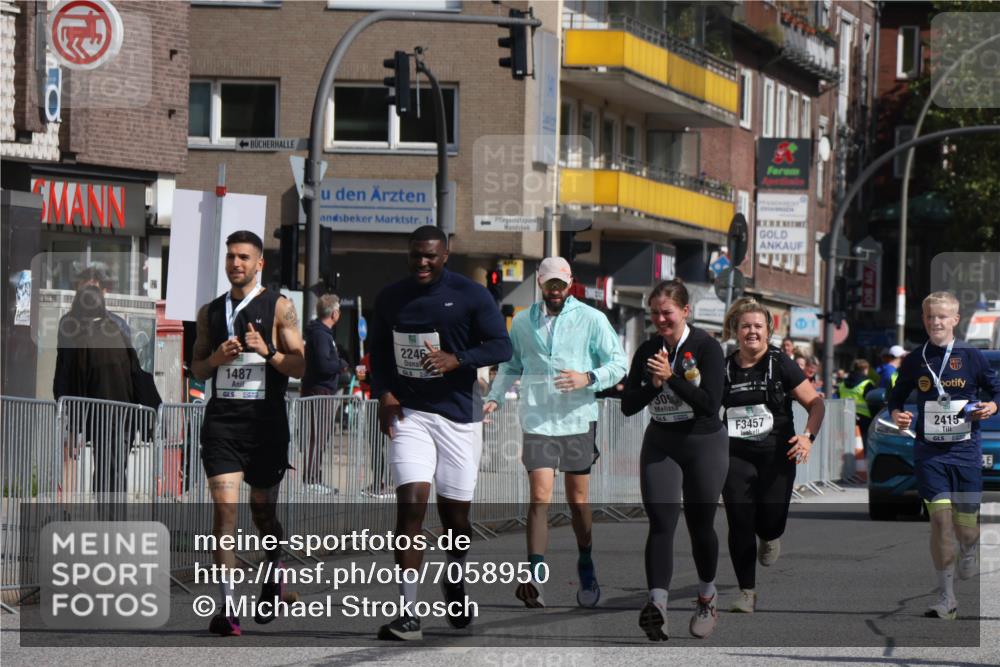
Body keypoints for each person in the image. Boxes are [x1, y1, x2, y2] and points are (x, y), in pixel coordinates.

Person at [369, 225, 512, 640]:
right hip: (411, 413)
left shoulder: (471, 295)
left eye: (431, 255)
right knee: (410, 508)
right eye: (416, 255)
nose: (423, 262)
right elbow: (377, 352)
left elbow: (501, 346)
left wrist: (458, 360)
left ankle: (455, 576)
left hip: (459, 418)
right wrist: (386, 393)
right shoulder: (392, 296)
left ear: (446, 254)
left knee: (455, 520)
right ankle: (408, 612)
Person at [484, 257, 627, 609]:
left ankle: (586, 561)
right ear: (540, 284)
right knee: (540, 496)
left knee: (578, 502)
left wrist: (587, 378)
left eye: (561, 284)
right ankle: (534, 576)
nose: (556, 290)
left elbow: (618, 363)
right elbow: (510, 365)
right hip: (538, 419)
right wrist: (494, 397)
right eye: (550, 284)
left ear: (570, 283)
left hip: (577, 419)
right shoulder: (521, 322)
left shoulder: (591, 319)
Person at [191, 230, 306, 637]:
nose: (235, 263)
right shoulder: (209, 312)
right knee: (224, 513)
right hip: (222, 424)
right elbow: (197, 369)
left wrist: (268, 352)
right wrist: (216, 358)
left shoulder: (280, 307)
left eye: (243, 257)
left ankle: (273, 566)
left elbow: (299, 365)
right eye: (230, 257)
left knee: (263, 513)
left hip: (266, 426)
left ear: (259, 264)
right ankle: (228, 606)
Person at [621, 279, 727, 641]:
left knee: (701, 526)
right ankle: (658, 606)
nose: (660, 320)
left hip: (703, 442)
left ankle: (707, 596)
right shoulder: (648, 349)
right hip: (662, 441)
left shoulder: (707, 348)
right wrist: (653, 385)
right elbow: (628, 405)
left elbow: (711, 403)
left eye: (666, 312)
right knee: (661, 522)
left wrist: (672, 379)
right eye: (654, 313)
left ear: (685, 311)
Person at [889, 291, 1000, 620]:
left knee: (965, 528)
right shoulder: (915, 359)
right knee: (939, 521)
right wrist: (898, 414)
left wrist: (992, 406)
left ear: (955, 320)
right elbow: (895, 397)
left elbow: (996, 391)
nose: (935, 322)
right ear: (923, 320)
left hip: (965, 452)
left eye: (942, 317)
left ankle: (970, 546)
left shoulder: (971, 356)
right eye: (929, 317)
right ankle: (946, 596)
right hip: (929, 451)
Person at [719, 298, 825, 613]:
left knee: (770, 520)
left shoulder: (781, 363)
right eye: (745, 326)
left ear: (768, 330)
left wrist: (807, 437)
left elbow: (816, 404)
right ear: (735, 331)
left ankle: (770, 535)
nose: (751, 332)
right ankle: (746, 592)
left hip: (777, 454)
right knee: (738, 522)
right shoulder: (724, 367)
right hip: (735, 455)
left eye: (757, 326)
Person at [53, 285, 136, 494]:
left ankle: (105, 519)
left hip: (101, 414)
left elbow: (75, 379)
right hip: (127, 413)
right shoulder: (119, 328)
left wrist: (74, 425)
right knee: (117, 470)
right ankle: (116, 519)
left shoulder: (81, 337)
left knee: (103, 468)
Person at [300, 294, 348, 494]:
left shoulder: (321, 333)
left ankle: (314, 477)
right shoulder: (321, 334)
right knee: (318, 435)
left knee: (320, 435)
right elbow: (322, 364)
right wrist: (341, 364)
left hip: (321, 388)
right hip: (320, 389)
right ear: (335, 313)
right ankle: (310, 479)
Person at [838, 359, 876, 449]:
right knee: (862, 446)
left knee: (845, 445)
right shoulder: (867, 383)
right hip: (863, 419)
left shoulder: (843, 383)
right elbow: (873, 402)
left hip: (845, 416)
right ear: (865, 369)